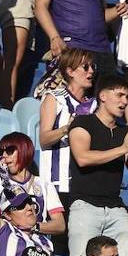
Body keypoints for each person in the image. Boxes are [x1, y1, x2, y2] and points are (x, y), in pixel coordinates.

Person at [67, 75, 128, 256]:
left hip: (116, 208)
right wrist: (123, 148)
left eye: (127, 97)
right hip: (85, 206)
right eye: (119, 95)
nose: (124, 102)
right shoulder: (83, 123)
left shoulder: (124, 132)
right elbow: (83, 158)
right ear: (102, 96)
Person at [38, 47, 96, 205]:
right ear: (70, 71)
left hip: (85, 184)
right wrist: (67, 128)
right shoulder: (54, 98)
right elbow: (44, 139)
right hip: (58, 184)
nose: (91, 71)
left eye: (93, 66)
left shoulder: (94, 105)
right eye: (85, 67)